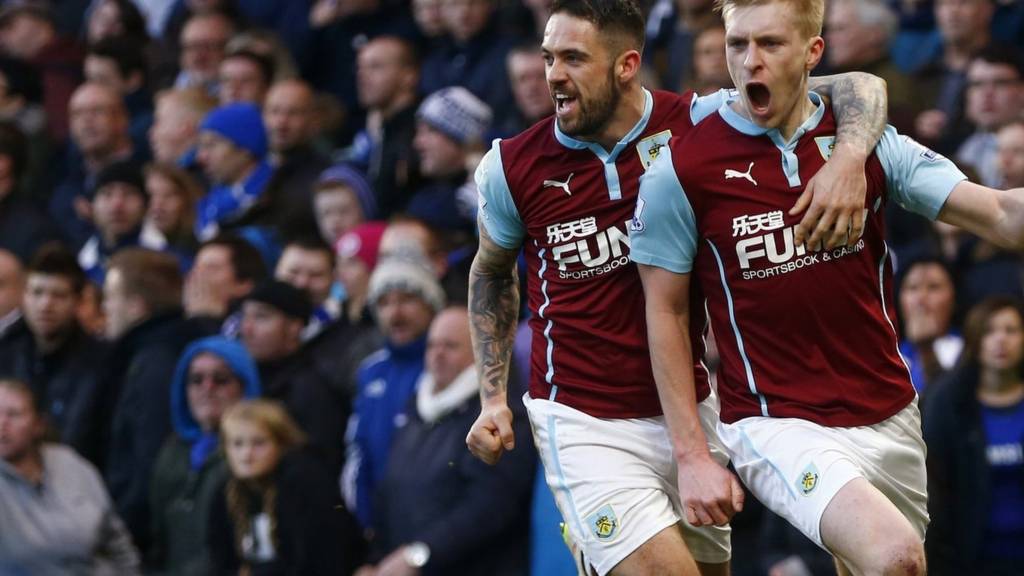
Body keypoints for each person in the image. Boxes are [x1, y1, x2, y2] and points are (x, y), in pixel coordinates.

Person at [466, 0, 887, 574]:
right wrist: (493, 398)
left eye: (572, 58)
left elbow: (857, 86)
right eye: (548, 57)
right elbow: (490, 272)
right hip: (582, 419)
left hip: (686, 408)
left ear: (626, 64)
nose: (553, 76)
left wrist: (852, 156)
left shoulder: (698, 121)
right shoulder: (511, 166)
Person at [630, 0, 1024, 574]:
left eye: (770, 44)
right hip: (774, 420)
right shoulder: (682, 169)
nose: (748, 62)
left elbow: (1001, 216)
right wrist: (691, 455)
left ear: (814, 53)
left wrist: (850, 155)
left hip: (887, 412)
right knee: (894, 557)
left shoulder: (868, 144)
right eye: (737, 44)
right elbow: (664, 313)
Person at [358, 307, 535, 575]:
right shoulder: (415, 410)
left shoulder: (501, 416)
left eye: (450, 346)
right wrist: (379, 560)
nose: (437, 355)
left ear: (482, 354)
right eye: (432, 345)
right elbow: (389, 493)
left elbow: (491, 506)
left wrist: (420, 555)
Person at [342, 256, 445, 530]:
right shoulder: (370, 371)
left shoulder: (446, 365)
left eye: (407, 299)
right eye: (384, 303)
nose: (395, 313)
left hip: (433, 525)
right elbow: (358, 447)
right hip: (382, 527)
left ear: (432, 305)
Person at [924, 297, 1024, 576]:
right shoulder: (947, 405)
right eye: (990, 331)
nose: (1001, 340)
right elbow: (936, 493)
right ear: (974, 338)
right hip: (970, 561)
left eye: (1011, 330)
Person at [0, 378, 141, 574]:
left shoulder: (70, 464)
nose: (2, 424)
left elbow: (117, 541)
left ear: (38, 424)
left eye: (13, 414)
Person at [207, 399, 363, 575]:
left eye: (258, 443)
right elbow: (219, 562)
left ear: (282, 444)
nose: (246, 455)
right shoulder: (225, 491)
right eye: (237, 444)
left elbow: (319, 561)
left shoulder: (305, 482)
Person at [147, 336, 261, 575]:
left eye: (220, 379)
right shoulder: (173, 450)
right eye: (196, 379)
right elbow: (157, 539)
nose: (207, 388)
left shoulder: (258, 452)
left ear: (245, 386)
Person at [0, 243, 107, 452]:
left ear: (78, 301)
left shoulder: (102, 364)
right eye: (37, 293)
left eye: (58, 295)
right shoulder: (5, 353)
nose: (46, 305)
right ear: (24, 297)